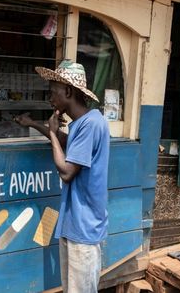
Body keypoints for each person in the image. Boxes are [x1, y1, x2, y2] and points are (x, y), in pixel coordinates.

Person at [15, 60, 110, 293]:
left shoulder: (90, 125)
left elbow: (67, 172)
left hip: (84, 228)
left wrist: (53, 133)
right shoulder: (83, 122)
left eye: (52, 92)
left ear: (68, 91)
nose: (50, 98)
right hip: (75, 225)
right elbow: (67, 143)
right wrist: (37, 125)